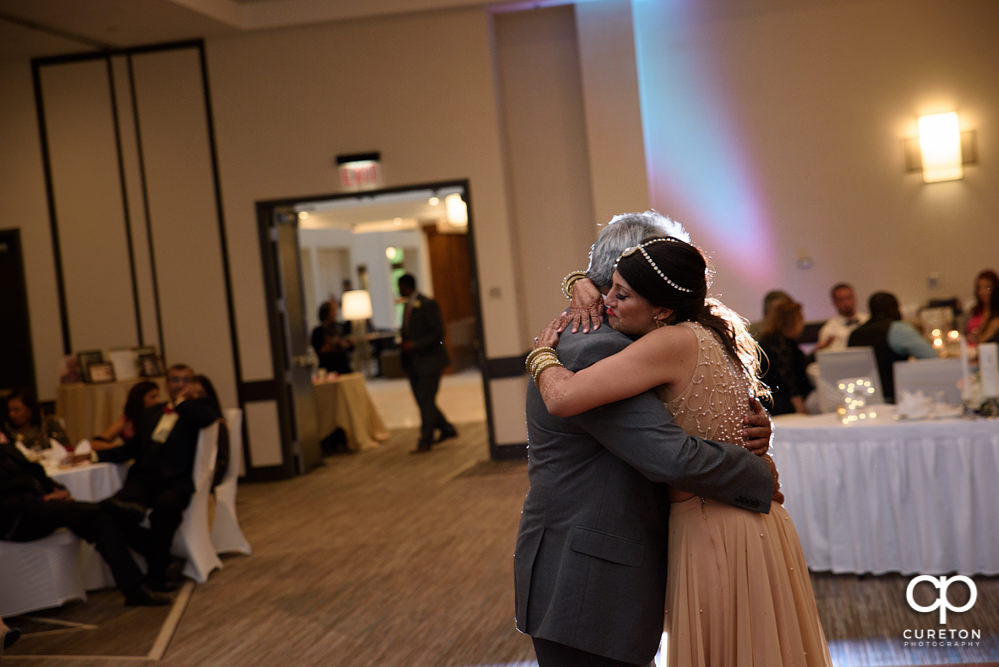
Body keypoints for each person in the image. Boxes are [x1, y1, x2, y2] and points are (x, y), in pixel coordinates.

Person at [532, 236, 832, 666]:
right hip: (758, 526)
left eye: (622, 294)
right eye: (609, 288)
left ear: (664, 309)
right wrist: (577, 281)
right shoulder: (712, 335)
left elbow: (562, 399)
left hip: (711, 527)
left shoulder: (667, 343)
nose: (607, 302)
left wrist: (541, 354)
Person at [0, 432, 170, 606]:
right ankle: (114, 510)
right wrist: (42, 499)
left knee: (100, 520)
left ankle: (134, 588)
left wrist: (57, 490)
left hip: (40, 509)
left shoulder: (6, 441)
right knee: (97, 513)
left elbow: (34, 474)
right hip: (15, 520)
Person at [95, 363, 221, 591]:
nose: (180, 384)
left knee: (166, 510)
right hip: (143, 480)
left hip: (176, 482)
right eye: (175, 380)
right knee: (110, 510)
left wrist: (182, 402)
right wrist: (93, 454)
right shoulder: (152, 413)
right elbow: (132, 448)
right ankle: (161, 559)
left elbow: (208, 418)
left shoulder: (198, 408)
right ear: (167, 384)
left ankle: (156, 573)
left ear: (192, 383)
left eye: (185, 380)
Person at [397, 273, 457, 453]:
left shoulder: (428, 304)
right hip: (413, 363)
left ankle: (425, 439)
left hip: (430, 361)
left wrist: (416, 344)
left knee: (425, 400)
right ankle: (446, 428)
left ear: (406, 287)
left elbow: (438, 332)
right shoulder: (407, 305)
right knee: (424, 400)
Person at [848, 292, 938, 402]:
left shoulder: (854, 334)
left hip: (862, 399)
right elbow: (932, 358)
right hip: (896, 399)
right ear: (893, 308)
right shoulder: (898, 329)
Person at [759, 299, 814, 415]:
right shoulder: (781, 344)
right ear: (792, 320)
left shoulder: (770, 340)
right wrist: (798, 403)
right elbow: (787, 376)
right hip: (783, 404)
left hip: (771, 400)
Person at [90, 380, 161, 451]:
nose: (158, 401)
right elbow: (95, 444)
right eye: (153, 397)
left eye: (158, 396)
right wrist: (124, 450)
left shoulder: (162, 416)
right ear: (139, 399)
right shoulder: (127, 421)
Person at [191, 374, 230, 490]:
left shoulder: (216, 423)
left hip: (208, 472)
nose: (197, 398)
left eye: (200, 394)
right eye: (193, 395)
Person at [2, 388, 70, 453]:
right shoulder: (7, 432)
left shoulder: (48, 425)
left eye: (16, 410)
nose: (12, 414)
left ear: (29, 410)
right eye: (9, 410)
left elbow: (65, 448)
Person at [815, 282, 868, 351]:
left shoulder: (867, 320)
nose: (846, 303)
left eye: (848, 298)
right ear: (834, 302)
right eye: (840, 300)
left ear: (855, 298)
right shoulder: (828, 330)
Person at [311, 300, 353, 374]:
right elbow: (319, 350)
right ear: (326, 313)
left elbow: (350, 346)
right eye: (333, 311)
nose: (336, 313)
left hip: (344, 367)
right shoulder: (318, 331)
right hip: (328, 368)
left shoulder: (340, 327)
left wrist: (344, 344)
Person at [965, 269, 998, 345]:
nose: (983, 292)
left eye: (988, 288)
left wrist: (978, 339)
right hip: (970, 349)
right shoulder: (974, 311)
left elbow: (984, 341)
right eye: (980, 288)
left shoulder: (995, 318)